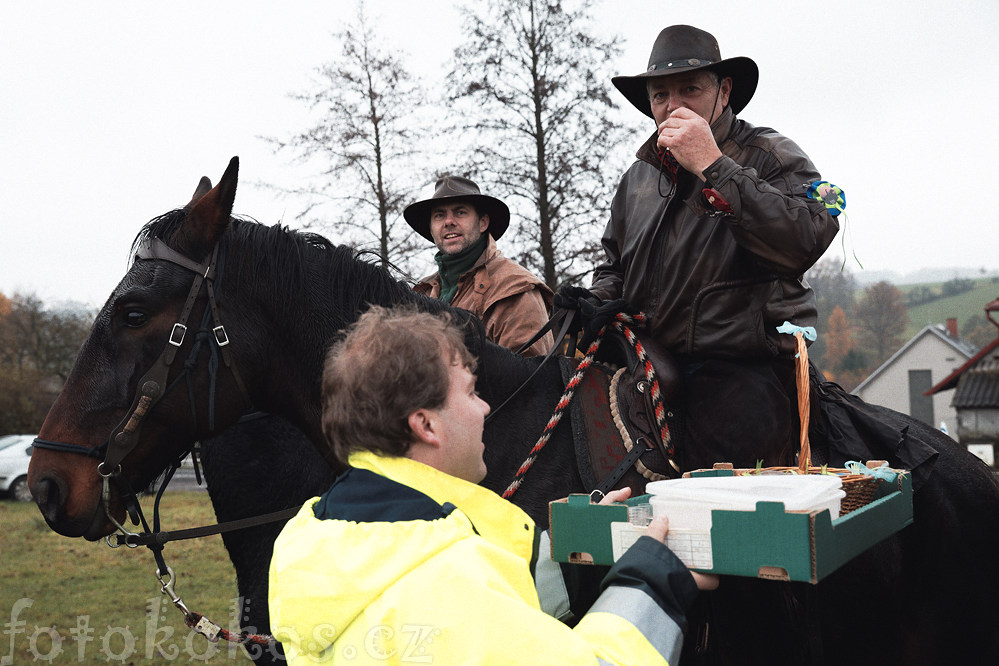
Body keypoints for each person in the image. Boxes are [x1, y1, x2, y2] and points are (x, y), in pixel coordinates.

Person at [268, 306, 712, 665]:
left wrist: (569, 552)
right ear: (425, 424)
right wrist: (652, 583)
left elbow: (496, 617)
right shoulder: (448, 579)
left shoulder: (312, 537)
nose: (483, 408)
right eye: (470, 391)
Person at [574, 25, 840, 467]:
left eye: (689, 89)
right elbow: (614, 264)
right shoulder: (638, 179)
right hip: (653, 364)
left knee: (721, 501)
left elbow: (805, 239)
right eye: (660, 95)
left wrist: (713, 166)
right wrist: (597, 300)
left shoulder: (770, 155)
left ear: (723, 91)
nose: (672, 106)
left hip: (744, 367)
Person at [405, 175, 555, 355]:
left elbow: (531, 376)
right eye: (439, 215)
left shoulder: (516, 288)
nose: (449, 222)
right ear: (431, 229)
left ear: (483, 222)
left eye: (460, 212)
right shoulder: (422, 292)